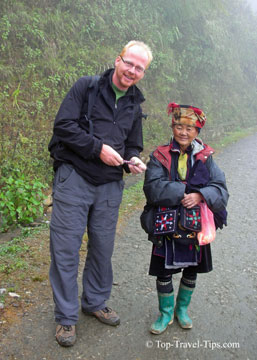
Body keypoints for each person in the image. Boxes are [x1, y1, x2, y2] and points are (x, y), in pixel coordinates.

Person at [48, 41, 152, 347]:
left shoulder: (135, 104)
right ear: (117, 60)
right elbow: (63, 125)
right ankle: (66, 317)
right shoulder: (87, 87)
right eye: (129, 63)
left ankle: (94, 301)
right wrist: (97, 148)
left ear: (142, 73)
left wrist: (132, 158)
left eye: (139, 68)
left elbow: (133, 143)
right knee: (65, 250)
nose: (132, 71)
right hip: (74, 177)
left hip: (109, 186)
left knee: (102, 249)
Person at [142, 102, 229, 334]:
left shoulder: (205, 157)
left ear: (197, 132)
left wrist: (201, 195)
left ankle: (181, 310)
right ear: (172, 127)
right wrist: (184, 192)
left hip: (195, 224)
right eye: (179, 126)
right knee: (163, 271)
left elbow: (220, 188)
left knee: (192, 269)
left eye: (189, 129)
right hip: (166, 222)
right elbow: (152, 188)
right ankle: (165, 313)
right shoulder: (159, 155)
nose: (183, 132)